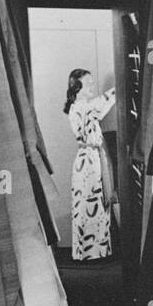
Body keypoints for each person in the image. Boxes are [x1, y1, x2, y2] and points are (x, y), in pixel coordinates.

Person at [63, 68, 115, 261]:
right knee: (89, 202)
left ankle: (97, 251)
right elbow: (101, 107)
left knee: (97, 201)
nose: (92, 86)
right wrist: (118, 90)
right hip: (87, 160)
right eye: (88, 83)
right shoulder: (80, 107)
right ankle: (90, 253)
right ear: (78, 86)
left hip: (93, 157)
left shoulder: (83, 106)